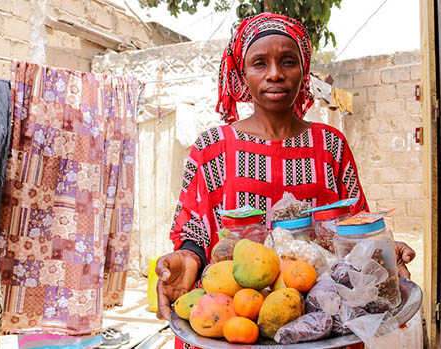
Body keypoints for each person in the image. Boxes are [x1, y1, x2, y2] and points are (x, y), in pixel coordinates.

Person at [156, 12, 416, 347]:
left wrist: (379, 253)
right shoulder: (213, 148)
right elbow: (194, 231)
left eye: (288, 61)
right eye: (260, 63)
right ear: (242, 73)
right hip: (237, 323)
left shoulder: (330, 144)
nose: (275, 74)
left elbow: (356, 227)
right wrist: (188, 257)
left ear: (303, 70)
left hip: (321, 323)